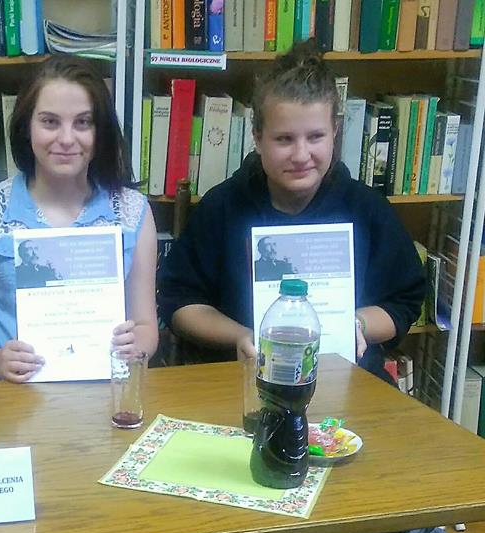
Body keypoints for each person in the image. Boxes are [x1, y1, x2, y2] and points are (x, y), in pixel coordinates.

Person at [157, 39, 425, 383]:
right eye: (284, 139)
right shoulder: (222, 207)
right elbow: (180, 303)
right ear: (257, 137)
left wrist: (355, 324)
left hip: (344, 379)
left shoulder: (367, 209)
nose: (301, 155)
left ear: (335, 132)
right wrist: (242, 336)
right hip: (241, 381)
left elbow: (404, 301)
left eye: (315, 137)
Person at [0, 54, 158, 384]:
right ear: (26, 127)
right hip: (12, 396)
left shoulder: (133, 212)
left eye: (83, 122)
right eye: (50, 122)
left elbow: (146, 326)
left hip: (107, 391)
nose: (66, 139)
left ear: (100, 131)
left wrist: (137, 348)